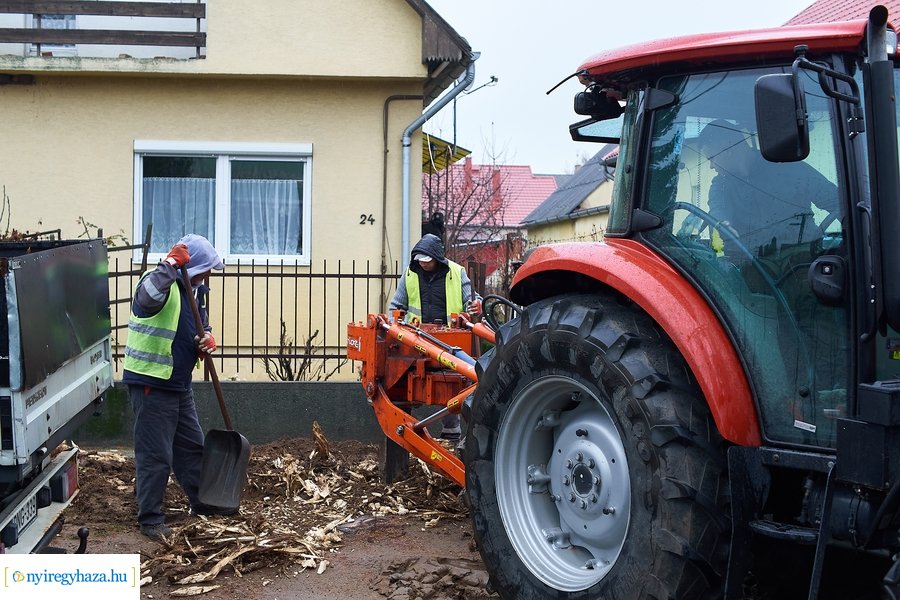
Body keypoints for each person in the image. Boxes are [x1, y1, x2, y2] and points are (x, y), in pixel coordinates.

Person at [123, 234, 225, 541]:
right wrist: (168, 264)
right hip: (152, 382)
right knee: (156, 454)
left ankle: (202, 502)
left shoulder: (193, 290)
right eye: (205, 269)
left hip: (178, 383)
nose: (208, 276)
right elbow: (145, 301)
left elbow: (198, 324)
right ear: (188, 266)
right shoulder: (159, 282)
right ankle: (150, 519)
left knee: (191, 447)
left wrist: (205, 338)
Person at [695, 119, 839, 257]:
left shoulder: (790, 169)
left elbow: (837, 203)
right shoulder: (721, 185)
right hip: (753, 267)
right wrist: (722, 223)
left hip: (801, 258)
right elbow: (717, 208)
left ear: (728, 147)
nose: (711, 166)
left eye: (712, 158)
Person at [389, 233, 482, 443]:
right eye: (419, 260)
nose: (423, 264)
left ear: (437, 258)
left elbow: (473, 302)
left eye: (427, 260)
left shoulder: (457, 273)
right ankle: (404, 429)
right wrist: (394, 328)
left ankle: (451, 433)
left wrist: (477, 306)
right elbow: (395, 307)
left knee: (453, 382)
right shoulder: (410, 275)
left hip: (450, 341)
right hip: (417, 341)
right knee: (405, 383)